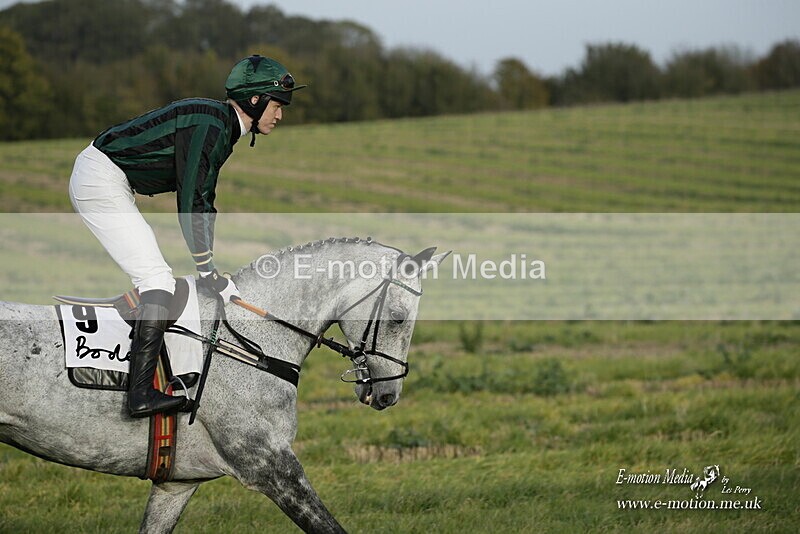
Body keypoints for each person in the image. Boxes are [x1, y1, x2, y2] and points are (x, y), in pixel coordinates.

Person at [68, 55, 306, 418]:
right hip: (99, 180)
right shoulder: (212, 125)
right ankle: (140, 395)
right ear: (255, 101)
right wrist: (208, 272)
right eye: (277, 106)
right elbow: (192, 199)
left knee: (157, 277)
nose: (280, 115)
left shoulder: (221, 125)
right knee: (157, 279)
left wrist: (209, 269)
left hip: (110, 179)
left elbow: (204, 200)